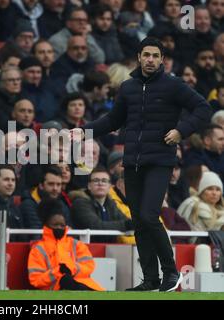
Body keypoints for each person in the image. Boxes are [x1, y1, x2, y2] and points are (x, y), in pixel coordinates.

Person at [73, 37, 211, 292]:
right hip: (133, 161)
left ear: (161, 60)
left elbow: (203, 108)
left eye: (155, 56)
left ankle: (171, 272)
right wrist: (86, 131)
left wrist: (181, 131)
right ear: (139, 57)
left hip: (160, 160)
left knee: (149, 215)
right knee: (138, 220)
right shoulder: (127, 87)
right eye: (146, 54)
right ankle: (150, 279)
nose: (150, 59)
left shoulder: (173, 85)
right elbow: (114, 119)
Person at [27, 198, 105, 291]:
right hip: (55, 289)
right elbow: (36, 280)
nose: (59, 227)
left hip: (83, 285)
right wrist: (58, 272)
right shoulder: (38, 249)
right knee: (67, 282)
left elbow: (89, 266)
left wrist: (70, 268)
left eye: (62, 225)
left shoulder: (76, 244)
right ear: (46, 225)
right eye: (55, 225)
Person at [177, 171, 224, 239]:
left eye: (218, 190)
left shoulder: (221, 210)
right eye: (210, 189)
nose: (214, 193)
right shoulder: (195, 205)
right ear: (202, 191)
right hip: (197, 245)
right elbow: (212, 229)